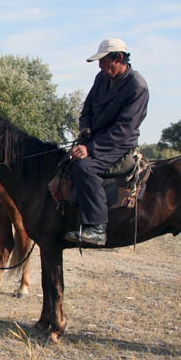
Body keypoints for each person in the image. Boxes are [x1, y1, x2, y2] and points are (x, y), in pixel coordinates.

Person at [65, 38, 149, 247]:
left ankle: (97, 227)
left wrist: (90, 149)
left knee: (85, 167)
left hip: (118, 145)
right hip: (95, 139)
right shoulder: (101, 78)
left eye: (103, 61)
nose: (100, 66)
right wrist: (85, 128)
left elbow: (124, 129)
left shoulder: (137, 86)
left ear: (119, 58)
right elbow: (87, 109)